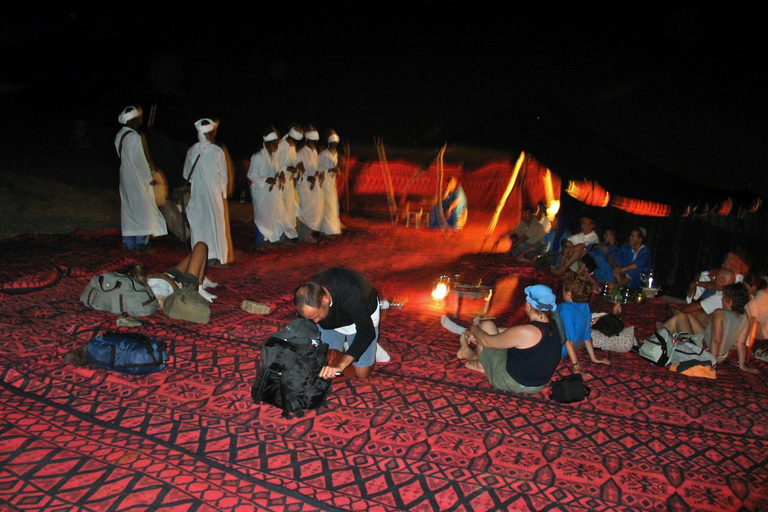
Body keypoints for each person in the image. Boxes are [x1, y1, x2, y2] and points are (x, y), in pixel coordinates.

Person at [448, 284, 561, 394]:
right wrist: (479, 332)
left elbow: (486, 341)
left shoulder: (526, 331)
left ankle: (473, 358)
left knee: (487, 326)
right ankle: (477, 358)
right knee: (489, 330)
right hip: (537, 386)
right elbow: (511, 334)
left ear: (528, 305)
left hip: (510, 381)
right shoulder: (554, 326)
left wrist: (474, 328)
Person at [295, 267, 381, 379]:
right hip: (331, 324)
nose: (315, 322)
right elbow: (304, 330)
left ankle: (371, 347)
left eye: (316, 316)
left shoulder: (351, 292)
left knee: (361, 373)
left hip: (363, 317)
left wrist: (341, 365)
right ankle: (349, 347)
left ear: (325, 300)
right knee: (323, 365)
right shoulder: (307, 297)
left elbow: (366, 332)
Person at [115, 106, 167, 253]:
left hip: (125, 175)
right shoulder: (134, 136)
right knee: (144, 210)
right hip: (137, 177)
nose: (140, 121)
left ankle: (128, 243)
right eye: (139, 119)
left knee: (129, 209)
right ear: (133, 120)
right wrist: (149, 178)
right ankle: (141, 244)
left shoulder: (120, 135)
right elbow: (140, 161)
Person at [182, 118, 232, 266]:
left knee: (200, 225)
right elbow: (223, 176)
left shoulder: (192, 150)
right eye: (212, 132)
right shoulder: (217, 151)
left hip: (198, 195)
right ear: (207, 134)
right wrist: (223, 193)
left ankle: (202, 258)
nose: (214, 135)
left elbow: (186, 174)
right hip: (213, 195)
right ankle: (217, 258)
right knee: (214, 225)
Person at [124, 241, 218, 305]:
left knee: (194, 256)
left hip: (170, 276)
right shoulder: (156, 293)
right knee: (201, 246)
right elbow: (177, 296)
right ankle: (199, 288)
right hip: (183, 284)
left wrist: (154, 276)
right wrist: (167, 279)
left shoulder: (139, 287)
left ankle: (202, 278)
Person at [557, 272, 610, 378]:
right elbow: (587, 335)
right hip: (572, 347)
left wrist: (576, 366)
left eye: (563, 289)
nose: (562, 291)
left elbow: (568, 341)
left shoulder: (565, 308)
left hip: (558, 351)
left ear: (569, 294)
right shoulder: (585, 306)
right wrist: (593, 358)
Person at [701, 282, 757, 372]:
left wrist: (712, 366)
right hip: (721, 356)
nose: (722, 299)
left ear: (730, 301)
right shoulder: (745, 317)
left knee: (680, 319)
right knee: (688, 319)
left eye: (723, 297)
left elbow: (716, 341)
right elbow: (741, 343)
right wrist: (742, 365)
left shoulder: (719, 313)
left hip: (706, 352)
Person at [664, 268, 736, 334]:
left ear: (723, 281)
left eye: (716, 277)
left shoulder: (720, 297)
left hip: (708, 331)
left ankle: (667, 330)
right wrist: (696, 284)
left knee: (687, 314)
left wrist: (678, 311)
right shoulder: (726, 290)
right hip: (711, 323)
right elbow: (712, 285)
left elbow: (692, 307)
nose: (713, 279)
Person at [247, 127, 285, 252]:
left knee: (271, 215)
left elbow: (277, 171)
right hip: (261, 192)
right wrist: (265, 179)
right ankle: (259, 241)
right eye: (275, 143)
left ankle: (269, 239)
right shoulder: (257, 157)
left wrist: (280, 176)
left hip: (272, 193)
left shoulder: (274, 157)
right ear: (268, 143)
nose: (277, 145)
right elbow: (251, 175)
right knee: (261, 216)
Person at [276, 125, 304, 241]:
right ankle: (280, 237)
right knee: (280, 209)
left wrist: (298, 167)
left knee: (291, 209)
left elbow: (293, 162)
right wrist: (289, 169)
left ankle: (288, 235)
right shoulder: (281, 146)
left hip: (289, 184)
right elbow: (275, 165)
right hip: (280, 183)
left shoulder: (292, 146)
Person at [296, 126, 323, 243]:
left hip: (314, 186)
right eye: (313, 142)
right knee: (305, 210)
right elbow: (297, 172)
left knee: (316, 208)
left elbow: (316, 167)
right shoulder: (301, 153)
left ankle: (310, 233)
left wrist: (317, 174)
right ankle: (303, 235)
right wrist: (307, 178)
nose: (315, 144)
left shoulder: (314, 152)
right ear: (308, 141)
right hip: (304, 187)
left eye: (316, 142)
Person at [318, 130, 342, 237]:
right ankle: (325, 230)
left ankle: (333, 229)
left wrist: (337, 170)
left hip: (332, 182)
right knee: (327, 206)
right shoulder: (323, 154)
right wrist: (329, 170)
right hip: (325, 182)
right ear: (329, 143)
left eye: (336, 143)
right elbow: (318, 168)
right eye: (333, 143)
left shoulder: (336, 154)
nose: (334, 145)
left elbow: (335, 166)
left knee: (333, 205)